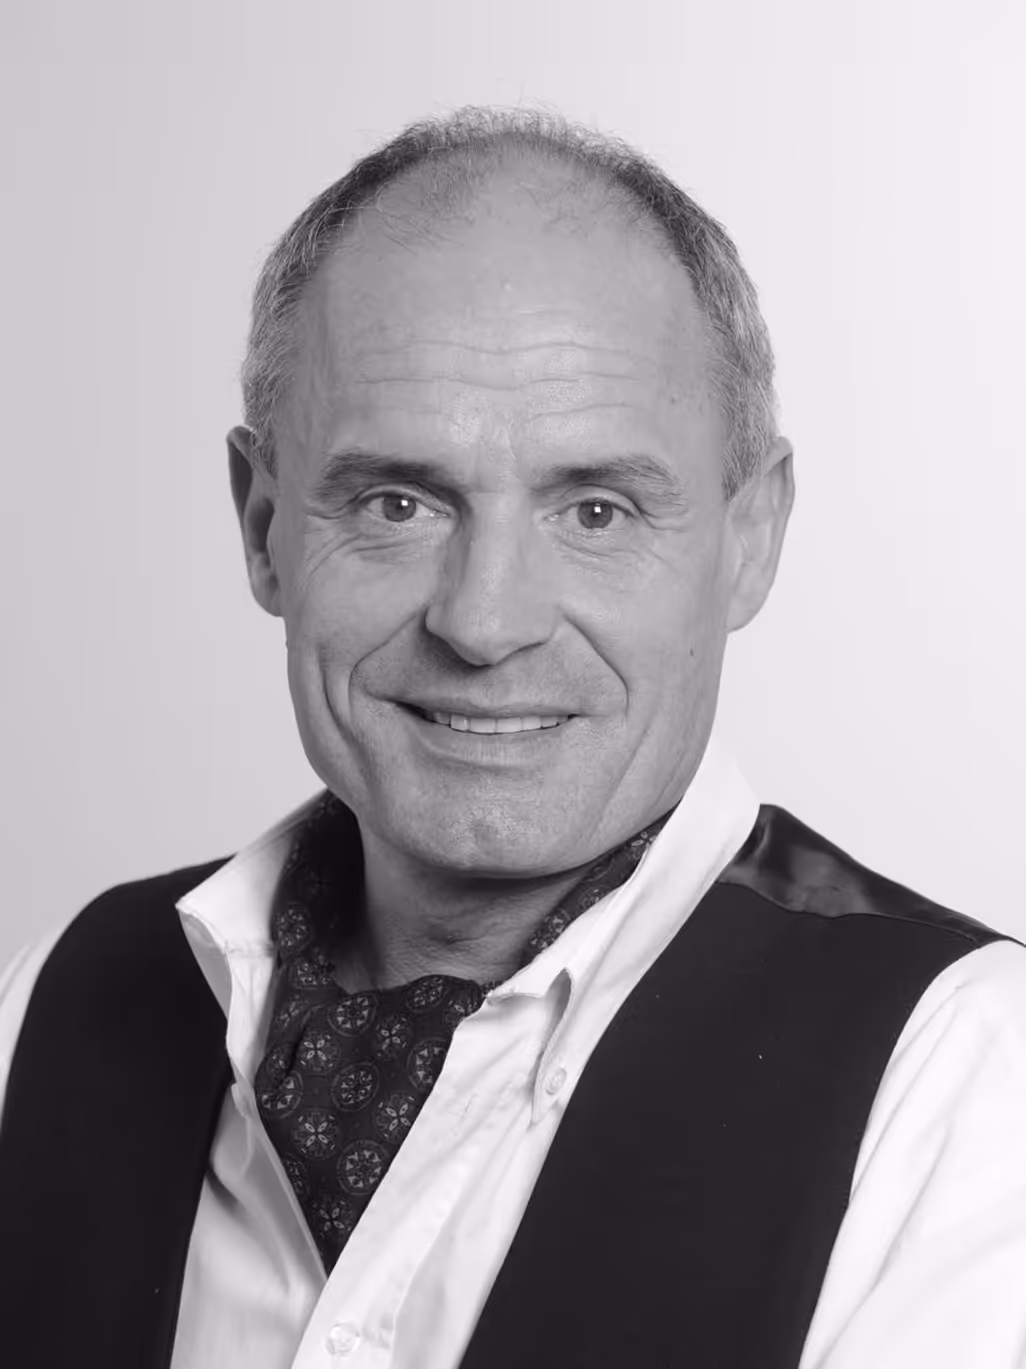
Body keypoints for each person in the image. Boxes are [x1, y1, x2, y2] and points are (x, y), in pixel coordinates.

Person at [1, 107, 1024, 1369]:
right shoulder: (50, 1008)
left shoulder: (963, 1086)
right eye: (398, 502)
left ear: (750, 539)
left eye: (596, 510)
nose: (485, 623)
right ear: (263, 526)